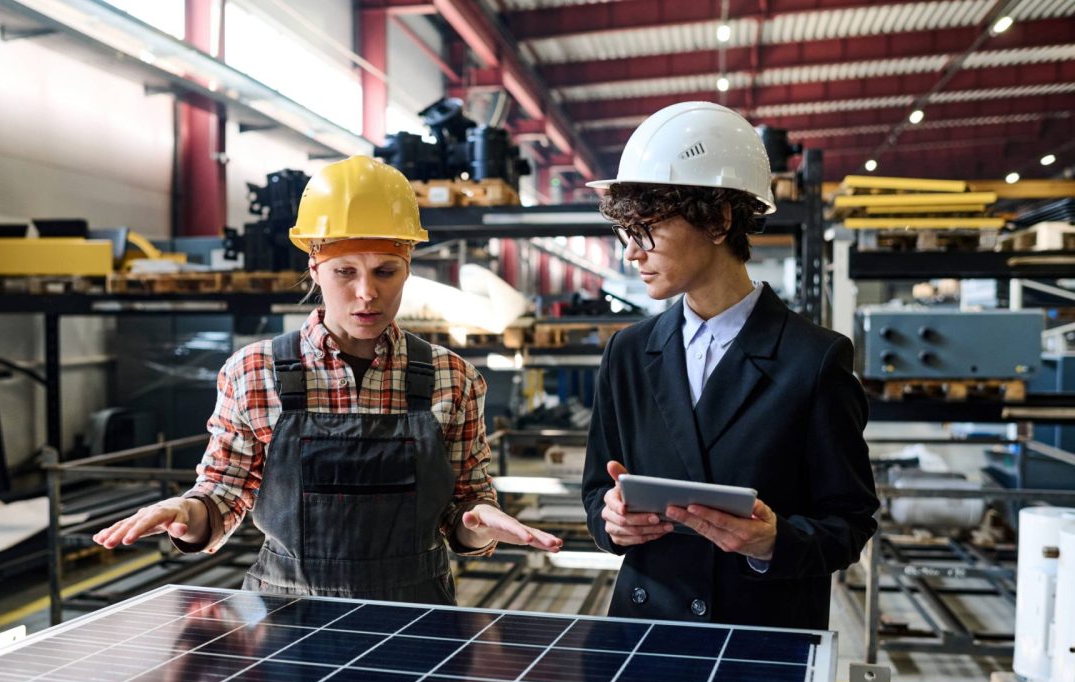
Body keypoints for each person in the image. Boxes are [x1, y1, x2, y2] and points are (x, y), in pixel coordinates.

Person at [94, 155, 561, 604]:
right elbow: (223, 492)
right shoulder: (254, 373)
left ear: (408, 269)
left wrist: (478, 523)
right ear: (314, 268)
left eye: (385, 271)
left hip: (416, 616)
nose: (366, 292)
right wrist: (188, 515)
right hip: (286, 618)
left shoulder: (452, 379)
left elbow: (466, 507)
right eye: (345, 271)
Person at [581, 102, 878, 629]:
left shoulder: (814, 360)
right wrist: (612, 521)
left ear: (717, 219)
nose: (632, 253)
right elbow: (597, 489)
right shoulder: (628, 351)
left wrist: (773, 541)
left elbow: (849, 522)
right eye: (626, 232)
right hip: (646, 630)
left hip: (759, 637)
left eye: (647, 229)